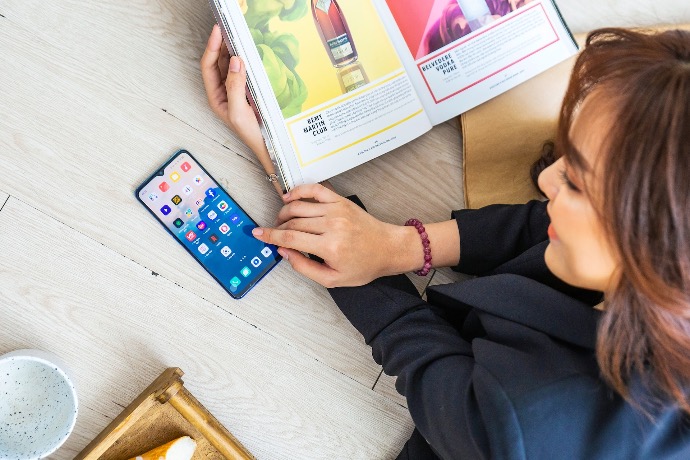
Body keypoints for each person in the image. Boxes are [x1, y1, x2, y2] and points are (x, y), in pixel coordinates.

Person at [201, 25, 690, 458]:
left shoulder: (532, 428)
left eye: (577, 182)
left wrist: (279, 162)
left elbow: (421, 353)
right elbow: (541, 225)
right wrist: (401, 246)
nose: (546, 181)